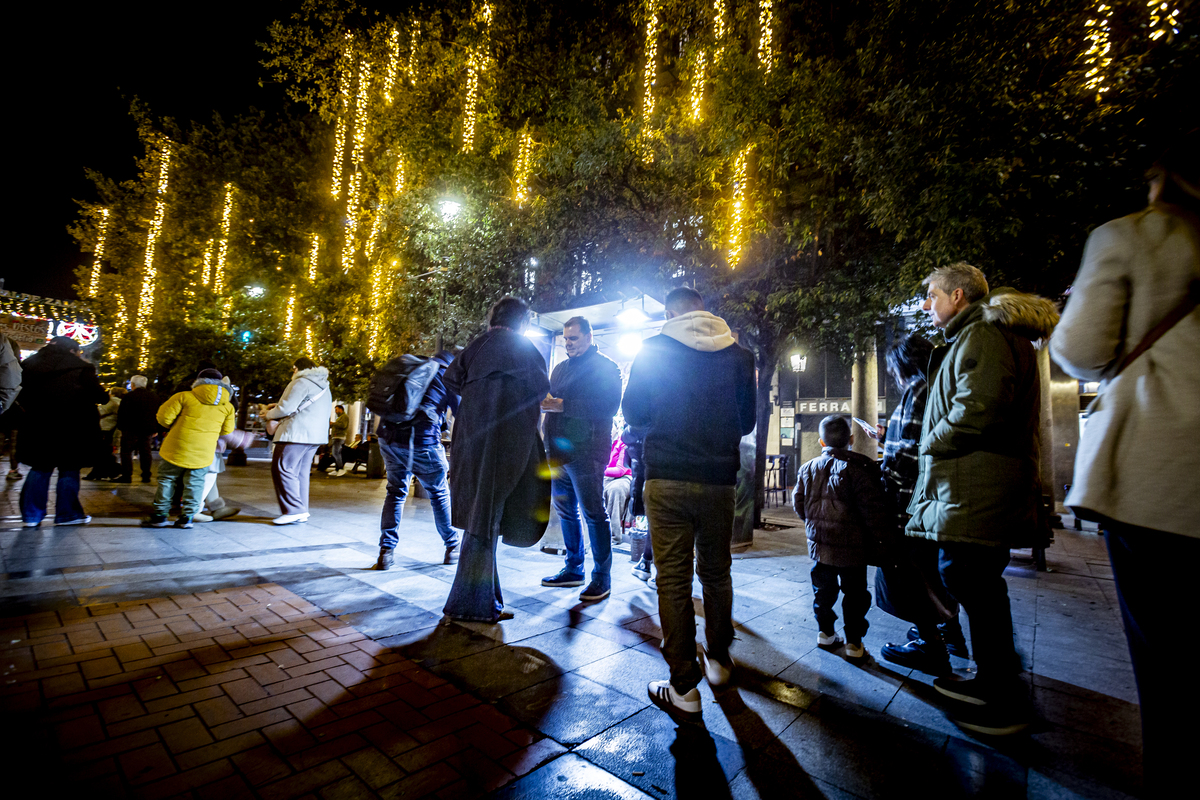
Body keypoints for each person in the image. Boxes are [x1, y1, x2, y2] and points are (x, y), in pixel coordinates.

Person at [1049, 136, 1199, 796]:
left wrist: (1083, 297)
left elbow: (1080, 349)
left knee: (1168, 661)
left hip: (1160, 476)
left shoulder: (1134, 237)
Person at [906, 262, 1057, 736]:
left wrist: (929, 441)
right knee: (976, 579)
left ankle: (1001, 694)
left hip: (976, 484)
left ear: (958, 296)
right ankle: (996, 677)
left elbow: (979, 407)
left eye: (932, 295)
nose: (926, 304)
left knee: (967, 575)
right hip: (976, 484)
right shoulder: (980, 336)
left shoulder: (983, 335)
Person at [621, 286, 756, 722]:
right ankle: (718, 661)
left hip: (667, 477)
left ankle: (683, 687)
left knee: (672, 579)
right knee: (716, 572)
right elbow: (748, 420)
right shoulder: (739, 354)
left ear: (669, 312)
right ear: (704, 308)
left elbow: (633, 411)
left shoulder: (654, 348)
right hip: (718, 480)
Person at [443, 296, 551, 623]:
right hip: (508, 445)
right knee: (486, 520)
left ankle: (487, 599)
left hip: (471, 443)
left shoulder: (476, 347)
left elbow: (450, 380)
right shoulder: (526, 351)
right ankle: (470, 604)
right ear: (523, 323)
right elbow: (539, 391)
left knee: (481, 517)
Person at [874, 335, 967, 675]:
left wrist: (883, 471)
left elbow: (912, 454)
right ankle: (950, 634)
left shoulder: (919, 390)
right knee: (928, 570)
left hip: (908, 503)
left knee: (908, 574)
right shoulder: (939, 387)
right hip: (930, 501)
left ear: (903, 364)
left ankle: (931, 645)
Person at [793, 415, 891, 661]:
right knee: (856, 595)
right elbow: (872, 511)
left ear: (820, 442)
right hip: (853, 549)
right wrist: (881, 540)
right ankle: (854, 644)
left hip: (821, 547)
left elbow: (799, 503)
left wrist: (814, 524)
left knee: (822, 592)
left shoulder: (807, 468)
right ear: (851, 439)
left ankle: (825, 633)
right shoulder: (861, 469)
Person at [540, 316, 623, 602]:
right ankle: (574, 568)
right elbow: (549, 402)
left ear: (589, 337)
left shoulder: (606, 367)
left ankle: (602, 578)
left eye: (573, 338)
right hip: (557, 453)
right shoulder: (560, 368)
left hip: (587, 452)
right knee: (566, 512)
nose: (568, 343)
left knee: (593, 514)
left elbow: (609, 406)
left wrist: (564, 405)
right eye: (565, 338)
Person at [374, 350, 462, 569]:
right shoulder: (447, 375)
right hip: (422, 443)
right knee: (439, 493)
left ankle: (386, 551)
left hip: (388, 439)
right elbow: (461, 412)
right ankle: (452, 546)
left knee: (395, 491)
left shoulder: (414, 367)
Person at [15, 336, 108, 527]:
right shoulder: (81, 367)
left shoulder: (30, 364)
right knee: (69, 468)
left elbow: (18, 392)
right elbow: (99, 396)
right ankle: (68, 514)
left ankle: (32, 515)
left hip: (38, 425)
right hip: (73, 425)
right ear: (73, 350)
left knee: (40, 467)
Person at [142, 368, 236, 529]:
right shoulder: (227, 406)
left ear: (199, 381)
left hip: (176, 447)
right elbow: (227, 430)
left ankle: (160, 516)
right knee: (195, 484)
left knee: (167, 480)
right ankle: (187, 517)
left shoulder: (183, 396)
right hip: (204, 451)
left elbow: (163, 418)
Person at [265, 356, 333, 525]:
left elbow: (286, 408)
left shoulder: (300, 382)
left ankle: (293, 510)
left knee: (282, 467)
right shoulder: (324, 386)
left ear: (297, 368)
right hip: (315, 436)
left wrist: (268, 414)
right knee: (301, 473)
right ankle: (301, 510)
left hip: (296, 433)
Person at [116, 374, 158, 483]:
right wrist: (155, 428)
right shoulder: (153, 396)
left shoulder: (129, 397)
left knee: (126, 452)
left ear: (133, 384)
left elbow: (122, 413)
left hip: (130, 429)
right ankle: (146, 475)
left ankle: (127, 475)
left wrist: (121, 427)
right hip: (147, 429)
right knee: (145, 452)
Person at [85, 386, 123, 480]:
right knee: (105, 451)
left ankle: (112, 470)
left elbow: (100, 411)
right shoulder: (120, 402)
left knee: (102, 452)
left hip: (106, 428)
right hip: (112, 429)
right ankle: (104, 472)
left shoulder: (112, 401)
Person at [602, 435, 632, 546]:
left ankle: (613, 535)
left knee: (615, 490)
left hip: (624, 476)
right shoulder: (600, 440)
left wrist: (599, 469)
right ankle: (589, 533)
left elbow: (620, 469)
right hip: (606, 475)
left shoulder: (623, 441)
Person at [1, 335, 22, 480]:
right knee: (15, 443)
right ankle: (13, 470)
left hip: (5, 410)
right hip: (13, 410)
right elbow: (12, 385)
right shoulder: (18, 369)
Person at [329, 404, 350, 476]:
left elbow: (343, 425)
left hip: (339, 437)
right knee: (335, 453)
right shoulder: (340, 417)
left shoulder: (344, 417)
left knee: (336, 453)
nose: (335, 411)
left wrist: (333, 424)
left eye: (336, 410)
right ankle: (337, 469)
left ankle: (341, 468)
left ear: (341, 409)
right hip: (336, 437)